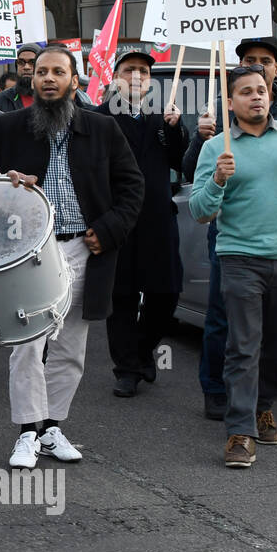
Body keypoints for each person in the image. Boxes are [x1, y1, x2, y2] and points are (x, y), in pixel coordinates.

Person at [0, 45, 144, 470]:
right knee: (27, 345)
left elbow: (132, 188)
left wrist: (107, 231)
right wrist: (5, 181)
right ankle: (27, 433)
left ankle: (52, 427)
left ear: (75, 81)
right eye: (42, 72)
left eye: (59, 72)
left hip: (83, 249)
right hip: (26, 254)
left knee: (72, 347)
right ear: (32, 80)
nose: (49, 78)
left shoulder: (103, 129)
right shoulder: (7, 129)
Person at [182, 36, 277, 435]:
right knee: (243, 346)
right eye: (245, 92)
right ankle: (239, 431)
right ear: (231, 102)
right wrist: (216, 179)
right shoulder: (217, 147)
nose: (256, 97)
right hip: (238, 259)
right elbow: (199, 211)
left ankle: (264, 405)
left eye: (261, 90)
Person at [94, 49, 189, 397]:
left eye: (144, 72)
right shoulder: (99, 118)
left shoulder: (165, 118)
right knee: (121, 297)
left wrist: (178, 131)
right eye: (129, 70)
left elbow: (184, 162)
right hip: (116, 220)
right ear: (115, 77)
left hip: (157, 220)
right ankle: (127, 369)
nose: (136, 76)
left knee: (166, 292)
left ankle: (143, 350)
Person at [0, 43, 40, 112]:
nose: (26, 67)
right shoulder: (0, 100)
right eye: (21, 62)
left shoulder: (54, 98)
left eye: (32, 62)